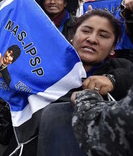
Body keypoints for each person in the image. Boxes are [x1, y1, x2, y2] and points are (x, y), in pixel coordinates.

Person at [37, 9, 133, 156]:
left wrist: (112, 81)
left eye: (103, 35)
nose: (92, 39)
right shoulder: (44, 67)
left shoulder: (121, 67)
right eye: (86, 31)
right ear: (72, 37)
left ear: (113, 48)